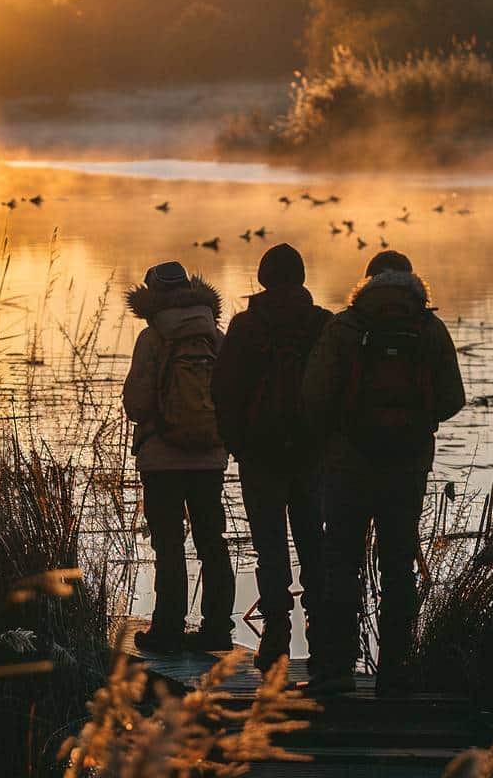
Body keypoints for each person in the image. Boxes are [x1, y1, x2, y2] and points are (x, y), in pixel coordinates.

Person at [302, 250, 465, 695]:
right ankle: (395, 671)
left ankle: (337, 670)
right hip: (406, 466)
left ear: (368, 281)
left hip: (349, 464)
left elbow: (315, 394)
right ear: (413, 280)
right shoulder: (428, 329)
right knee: (397, 565)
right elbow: (453, 398)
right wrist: (414, 419)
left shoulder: (345, 326)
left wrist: (340, 429)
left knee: (341, 561)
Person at [211, 244, 333, 672]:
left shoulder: (247, 326)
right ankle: (323, 646)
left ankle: (275, 641)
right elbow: (336, 390)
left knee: (270, 550)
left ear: (263, 278)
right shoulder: (322, 324)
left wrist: (237, 444)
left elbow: (224, 391)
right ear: (301, 278)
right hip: (310, 455)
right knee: (314, 548)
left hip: (260, 457)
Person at [123, 260, 235, 653]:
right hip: (209, 458)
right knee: (213, 542)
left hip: (162, 458)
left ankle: (168, 630)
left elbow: (137, 404)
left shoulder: (152, 338)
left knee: (169, 544)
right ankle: (219, 628)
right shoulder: (216, 336)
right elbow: (230, 398)